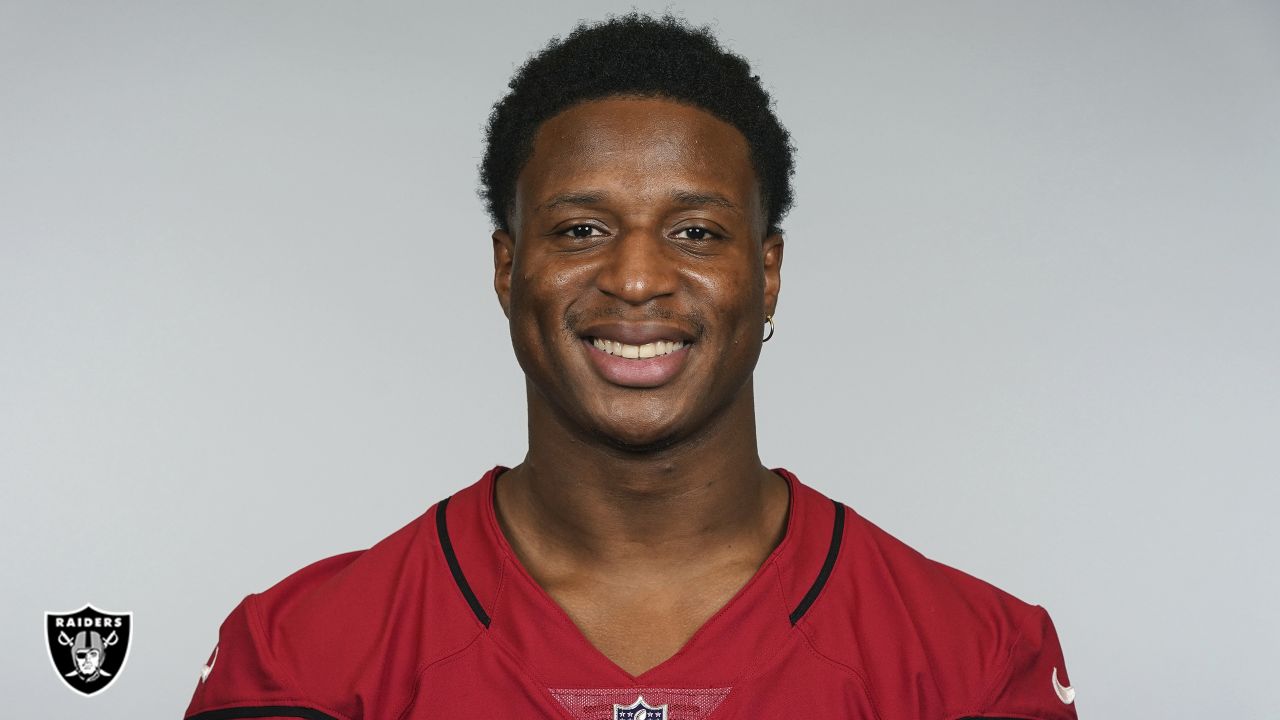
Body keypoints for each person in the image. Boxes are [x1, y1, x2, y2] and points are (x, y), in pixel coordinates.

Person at [184, 13, 1077, 720]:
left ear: (766, 274)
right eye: (582, 230)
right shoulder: (300, 657)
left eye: (696, 232)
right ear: (507, 268)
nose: (638, 278)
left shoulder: (975, 661)